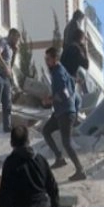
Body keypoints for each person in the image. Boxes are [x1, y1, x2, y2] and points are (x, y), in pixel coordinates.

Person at [42, 47, 86, 181]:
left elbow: (64, 94)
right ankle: (59, 158)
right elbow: (71, 84)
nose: (46, 62)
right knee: (46, 130)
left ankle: (80, 170)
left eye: (48, 59)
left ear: (55, 59)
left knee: (67, 143)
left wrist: (50, 100)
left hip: (65, 113)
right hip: (61, 112)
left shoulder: (58, 73)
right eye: (46, 59)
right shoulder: (61, 70)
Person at [60, 28, 90, 113]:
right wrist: (85, 49)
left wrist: (76, 79)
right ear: (81, 39)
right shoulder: (76, 49)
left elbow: (67, 68)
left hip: (62, 83)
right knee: (77, 102)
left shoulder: (67, 49)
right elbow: (86, 65)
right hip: (68, 85)